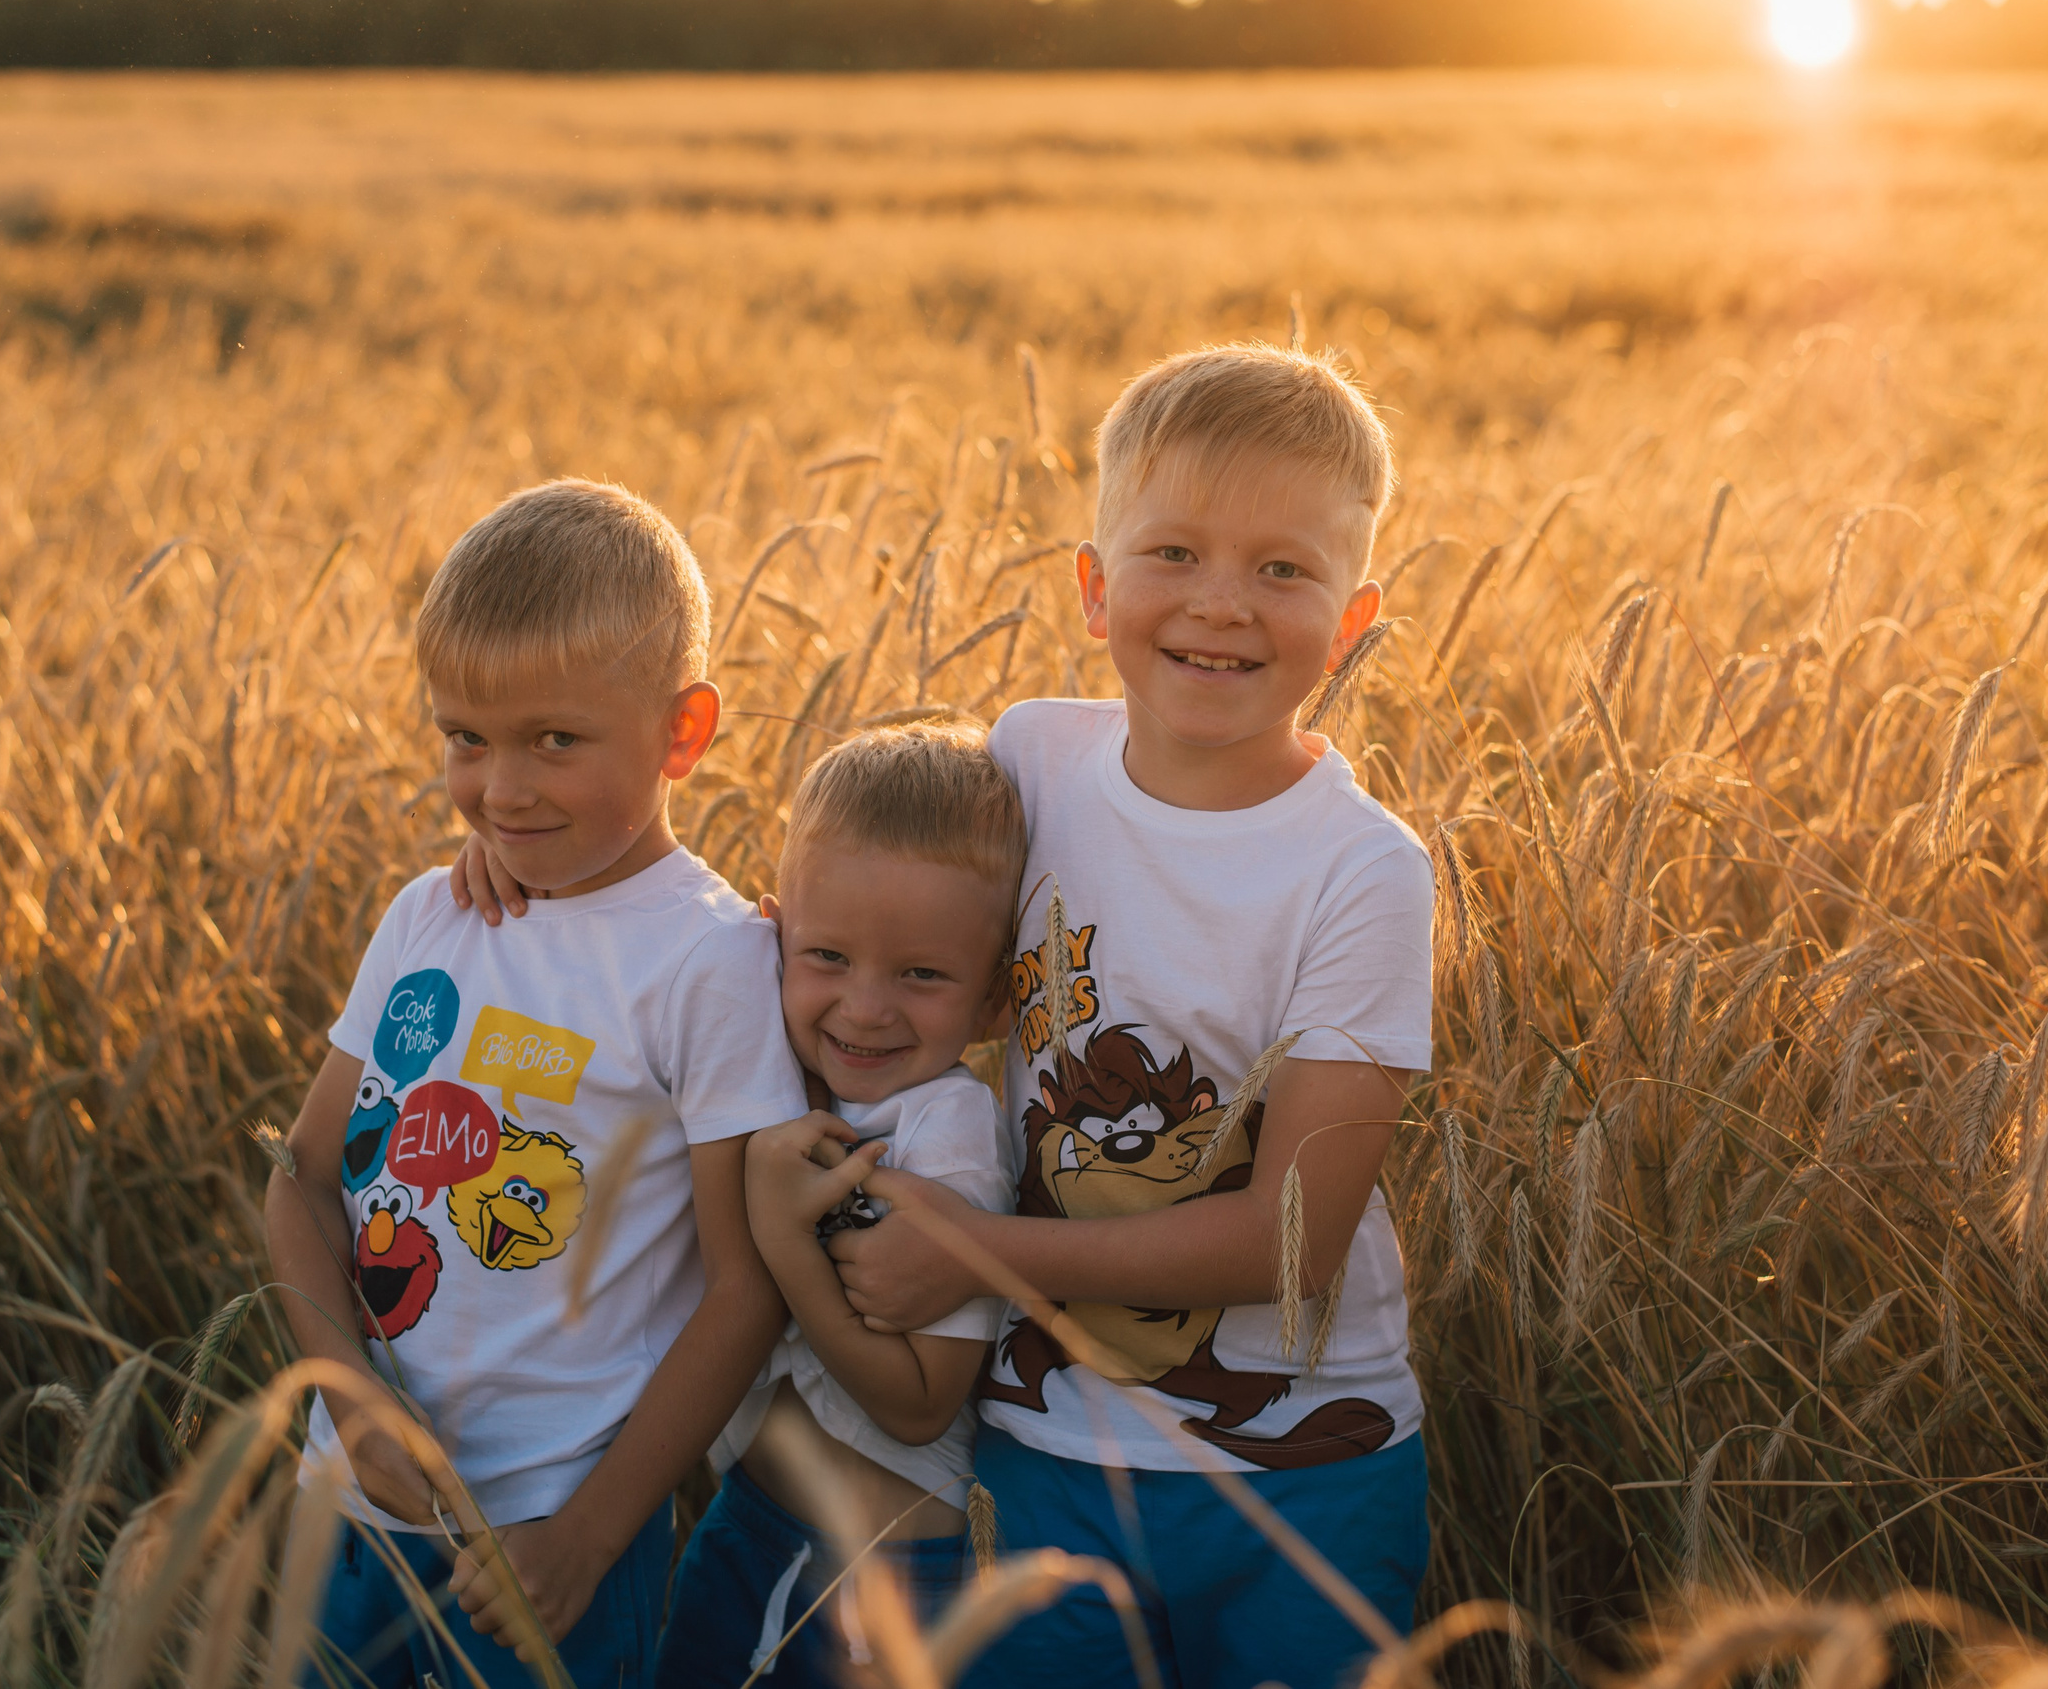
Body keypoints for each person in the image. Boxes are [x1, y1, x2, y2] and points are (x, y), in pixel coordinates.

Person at [828, 342, 1436, 1689]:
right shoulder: (1028, 761)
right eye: (1174, 553)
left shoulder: (1361, 869)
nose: (1222, 605)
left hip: (1308, 1479)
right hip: (1051, 1457)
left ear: (1354, 617)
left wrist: (978, 1253)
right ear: (1094, 587)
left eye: (1284, 569)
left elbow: (1294, 1239)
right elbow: (854, 935)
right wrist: (563, 875)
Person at [264, 479, 809, 1689]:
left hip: (548, 1543)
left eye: (553, 740)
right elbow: (303, 1175)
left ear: (683, 732)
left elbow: (743, 1287)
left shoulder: (708, 960)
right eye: (466, 737)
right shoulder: (428, 914)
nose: (502, 789)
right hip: (345, 1515)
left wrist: (594, 1532)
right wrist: (348, 1399)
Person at [656, 722, 1026, 1688]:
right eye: (826, 956)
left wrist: (786, 1244)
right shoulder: (774, 1074)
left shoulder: (947, 1132)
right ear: (772, 934)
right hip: (752, 1526)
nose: (864, 1007)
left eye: (921, 974)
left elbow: (918, 1401)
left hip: (883, 1582)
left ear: (995, 1001)